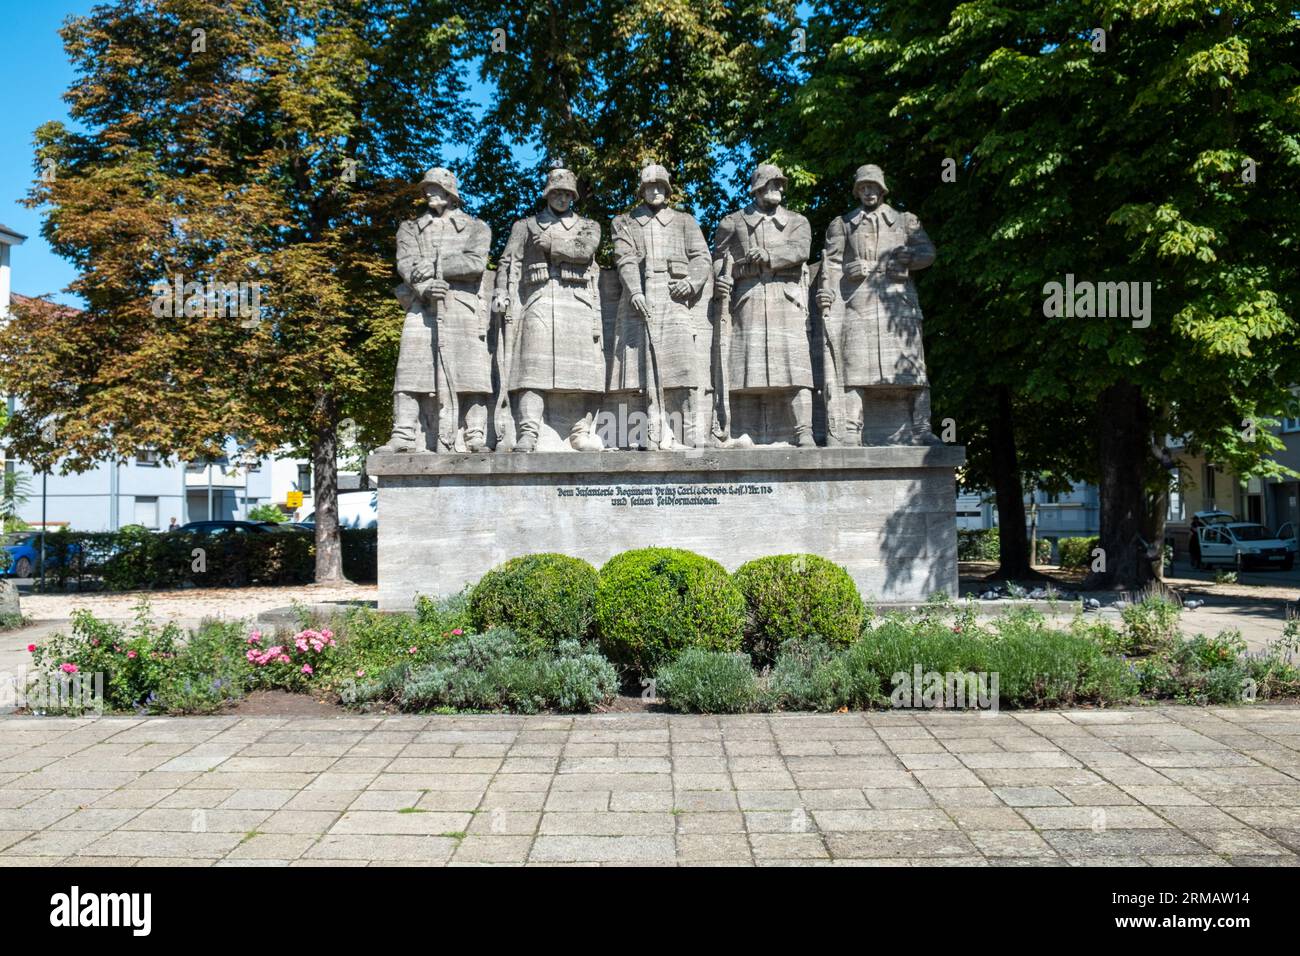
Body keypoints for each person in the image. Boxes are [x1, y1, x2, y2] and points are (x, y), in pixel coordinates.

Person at [817, 164, 938, 445]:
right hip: (859, 304)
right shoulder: (844, 224)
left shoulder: (905, 220)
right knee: (855, 367)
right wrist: (833, 286)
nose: (868, 192)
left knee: (913, 368)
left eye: (872, 186)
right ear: (857, 191)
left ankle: (921, 429)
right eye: (863, 187)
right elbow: (831, 264)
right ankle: (851, 429)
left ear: (882, 189)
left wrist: (909, 258)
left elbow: (927, 252)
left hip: (898, 304)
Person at [378, 167, 492, 453]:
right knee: (410, 369)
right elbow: (406, 263)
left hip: (463, 305)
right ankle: (403, 434)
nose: (429, 192)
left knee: (472, 372)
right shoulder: (410, 228)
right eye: (427, 188)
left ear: (451, 193)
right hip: (422, 306)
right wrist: (427, 287)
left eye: (436, 188)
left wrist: (438, 265)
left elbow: (476, 262)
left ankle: (474, 434)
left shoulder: (476, 227)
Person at [494, 168, 606, 452]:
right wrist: (500, 292)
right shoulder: (525, 226)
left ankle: (579, 432)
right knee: (532, 370)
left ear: (573, 197)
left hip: (576, 302)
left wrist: (553, 243)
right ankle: (528, 432)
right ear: (547, 194)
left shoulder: (588, 226)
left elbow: (585, 249)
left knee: (580, 373)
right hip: (539, 299)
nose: (561, 198)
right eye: (556, 192)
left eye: (567, 193)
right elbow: (508, 262)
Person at [610, 164, 713, 449]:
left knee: (683, 365)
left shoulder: (685, 221)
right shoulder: (625, 222)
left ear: (667, 190)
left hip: (675, 297)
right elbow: (624, 259)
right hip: (639, 299)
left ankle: (690, 430)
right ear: (641, 190)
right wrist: (635, 292)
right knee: (638, 372)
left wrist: (692, 283)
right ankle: (644, 430)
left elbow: (701, 258)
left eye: (660, 186)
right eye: (649, 186)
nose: (654, 191)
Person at [712, 164, 815, 447]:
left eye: (780, 184)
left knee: (796, 367)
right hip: (749, 298)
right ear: (757, 189)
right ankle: (742, 431)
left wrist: (770, 255)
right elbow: (719, 259)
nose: (779, 189)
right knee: (744, 369)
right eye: (772, 184)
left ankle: (803, 429)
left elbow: (801, 250)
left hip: (786, 298)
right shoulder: (733, 221)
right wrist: (722, 278)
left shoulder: (798, 221)